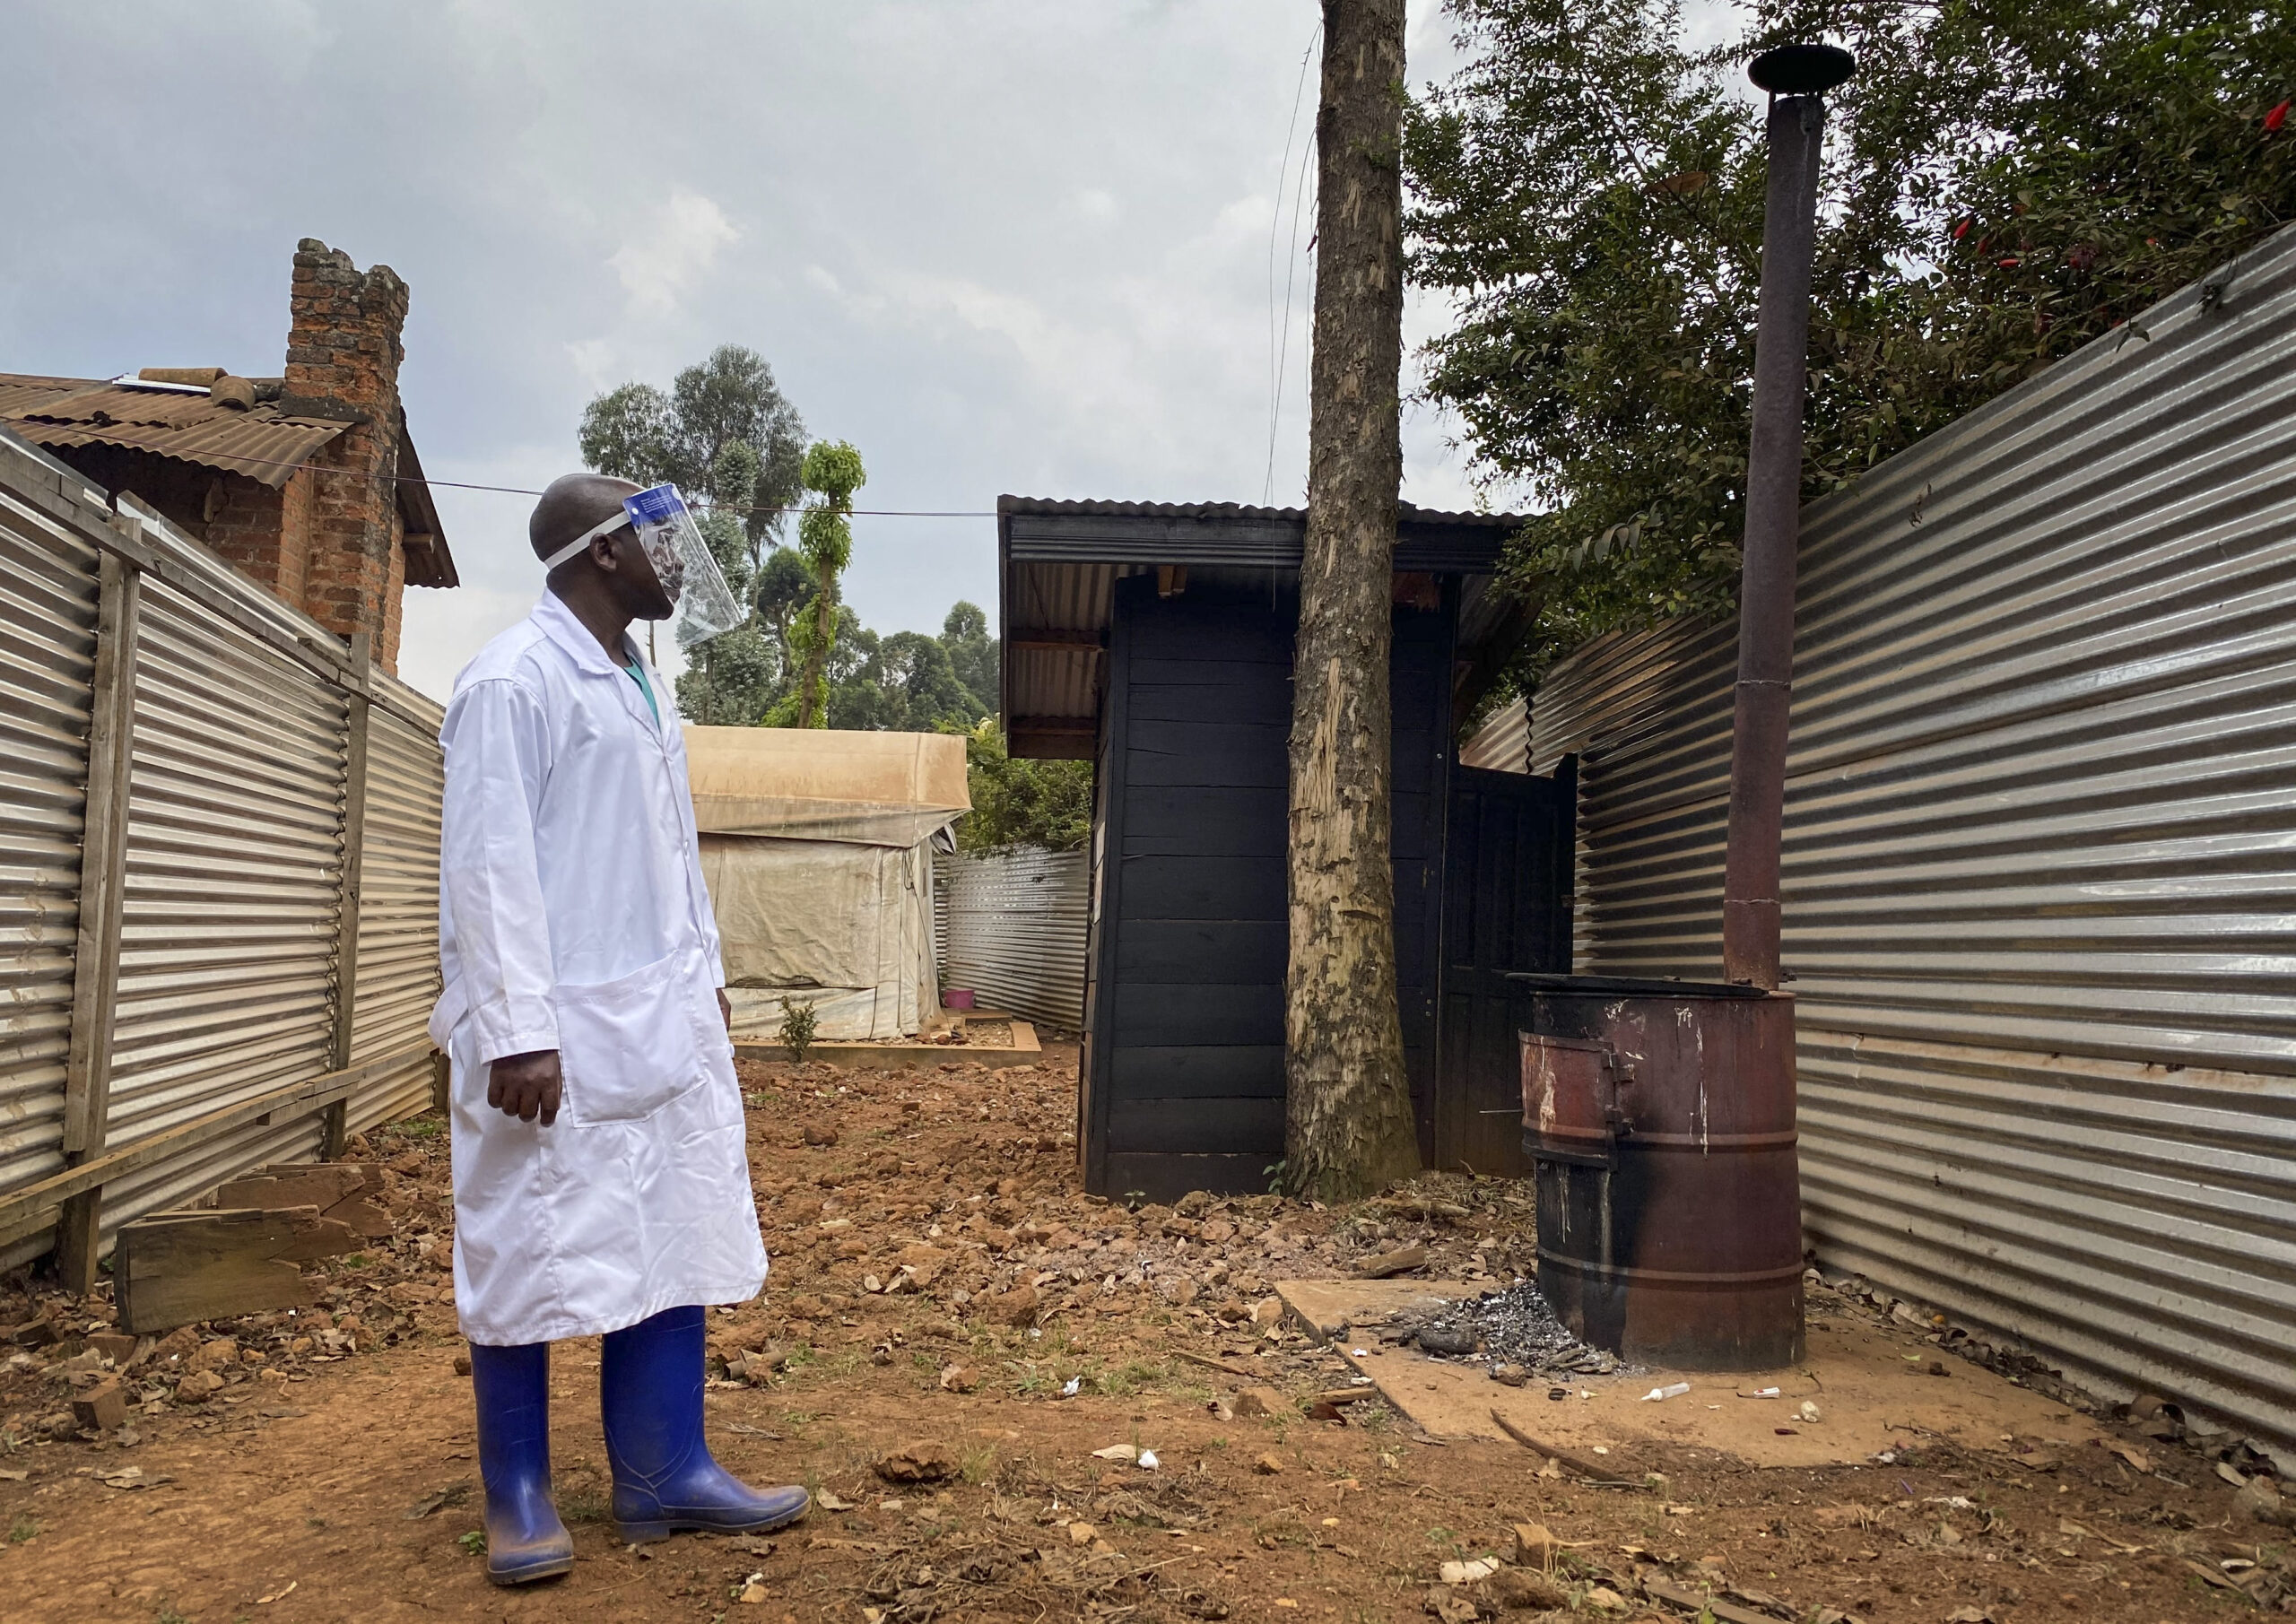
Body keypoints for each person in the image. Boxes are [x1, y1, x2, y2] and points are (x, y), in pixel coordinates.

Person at [429, 473, 804, 1585]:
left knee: (671, 1229)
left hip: (656, 1017)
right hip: (551, 1039)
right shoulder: (513, 680)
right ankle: (521, 1496)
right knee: (525, 1248)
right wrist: (514, 1029)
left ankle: (663, 1470)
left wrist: (709, 978)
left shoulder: (637, 680)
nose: (675, 559)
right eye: (657, 540)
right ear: (601, 554)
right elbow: (487, 867)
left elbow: (663, 860)